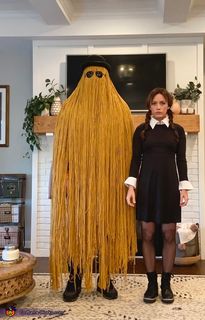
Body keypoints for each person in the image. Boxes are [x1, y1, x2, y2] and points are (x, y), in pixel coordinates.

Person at [50, 55, 137, 302]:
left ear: (108, 79)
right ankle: (74, 278)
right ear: (82, 78)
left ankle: (105, 278)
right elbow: (62, 150)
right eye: (90, 75)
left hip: (110, 186)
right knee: (76, 230)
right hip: (77, 185)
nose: (95, 80)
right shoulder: (69, 110)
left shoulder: (121, 110)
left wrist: (126, 183)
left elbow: (127, 152)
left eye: (100, 75)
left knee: (108, 231)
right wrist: (64, 178)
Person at [125, 87, 193, 304]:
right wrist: (131, 187)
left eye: (162, 103)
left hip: (169, 185)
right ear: (149, 107)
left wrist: (183, 188)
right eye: (154, 103)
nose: (158, 107)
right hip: (146, 185)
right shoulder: (141, 131)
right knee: (146, 233)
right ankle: (151, 283)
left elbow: (181, 160)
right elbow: (135, 160)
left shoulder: (177, 131)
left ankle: (166, 284)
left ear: (168, 106)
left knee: (169, 233)